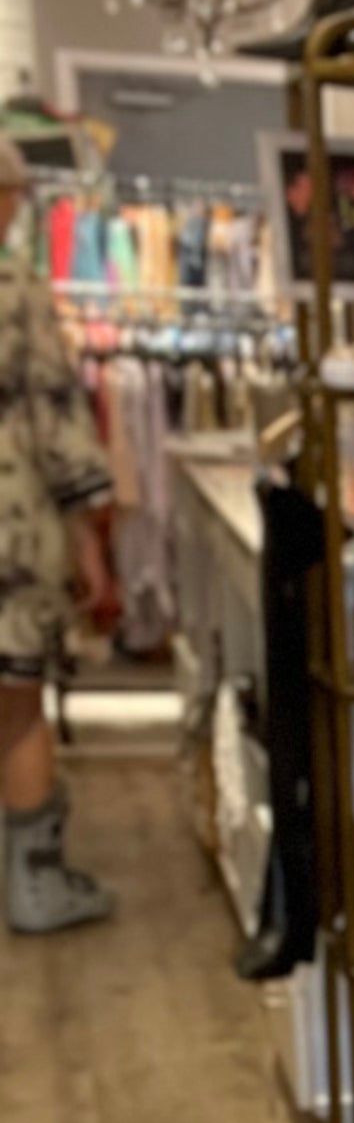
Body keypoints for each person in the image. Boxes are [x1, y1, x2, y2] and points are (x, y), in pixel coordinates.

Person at [0, 135, 118, 933]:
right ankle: (35, 888)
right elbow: (56, 419)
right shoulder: (15, 289)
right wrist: (89, 543)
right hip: (10, 531)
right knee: (17, 704)